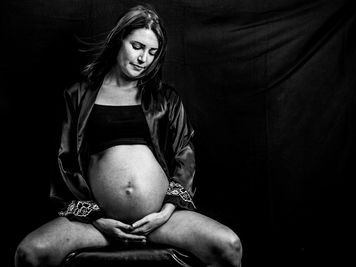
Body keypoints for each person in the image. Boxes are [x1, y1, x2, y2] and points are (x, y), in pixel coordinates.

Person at [14, 4, 242, 267]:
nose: (144, 59)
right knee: (30, 253)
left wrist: (165, 212)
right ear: (119, 40)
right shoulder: (78, 95)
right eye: (137, 46)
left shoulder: (165, 99)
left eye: (152, 52)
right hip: (99, 222)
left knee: (229, 245)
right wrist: (97, 217)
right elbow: (64, 160)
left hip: (157, 221)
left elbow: (184, 156)